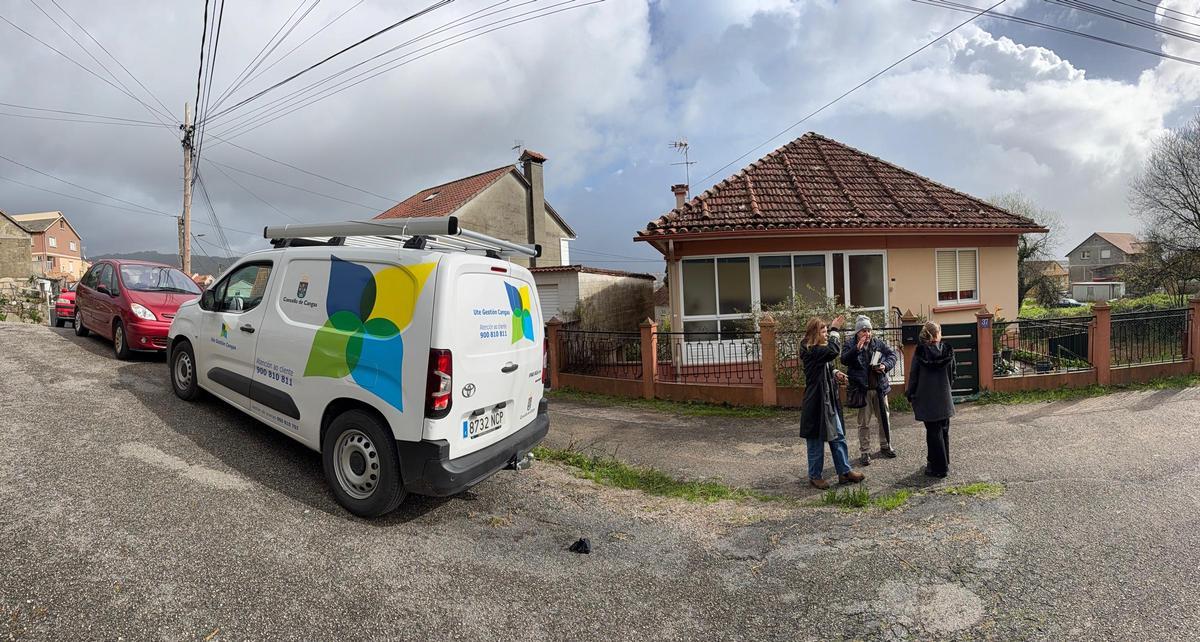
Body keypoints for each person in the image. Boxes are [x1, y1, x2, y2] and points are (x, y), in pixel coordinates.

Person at [798, 314, 865, 490]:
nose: (827, 335)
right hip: (816, 402)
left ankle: (844, 471)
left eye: (828, 331)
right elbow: (833, 351)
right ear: (815, 333)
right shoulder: (809, 349)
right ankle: (814, 476)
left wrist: (835, 373)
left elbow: (826, 363)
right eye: (824, 331)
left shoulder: (818, 349)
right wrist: (835, 329)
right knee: (815, 440)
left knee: (839, 436)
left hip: (828, 401)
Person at [840, 315, 898, 466]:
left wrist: (885, 365)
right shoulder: (850, 344)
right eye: (863, 330)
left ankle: (885, 446)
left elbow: (892, 355)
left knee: (883, 419)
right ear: (857, 332)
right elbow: (844, 359)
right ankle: (865, 452)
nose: (867, 333)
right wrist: (856, 350)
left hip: (879, 388)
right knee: (863, 423)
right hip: (862, 390)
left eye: (869, 330)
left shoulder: (878, 343)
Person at [905, 321, 957, 478]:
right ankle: (943, 462)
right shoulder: (948, 350)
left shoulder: (920, 352)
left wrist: (910, 393)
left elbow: (914, 375)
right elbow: (953, 373)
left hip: (926, 398)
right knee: (944, 431)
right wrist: (946, 387)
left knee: (933, 433)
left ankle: (938, 468)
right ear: (937, 334)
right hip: (944, 397)